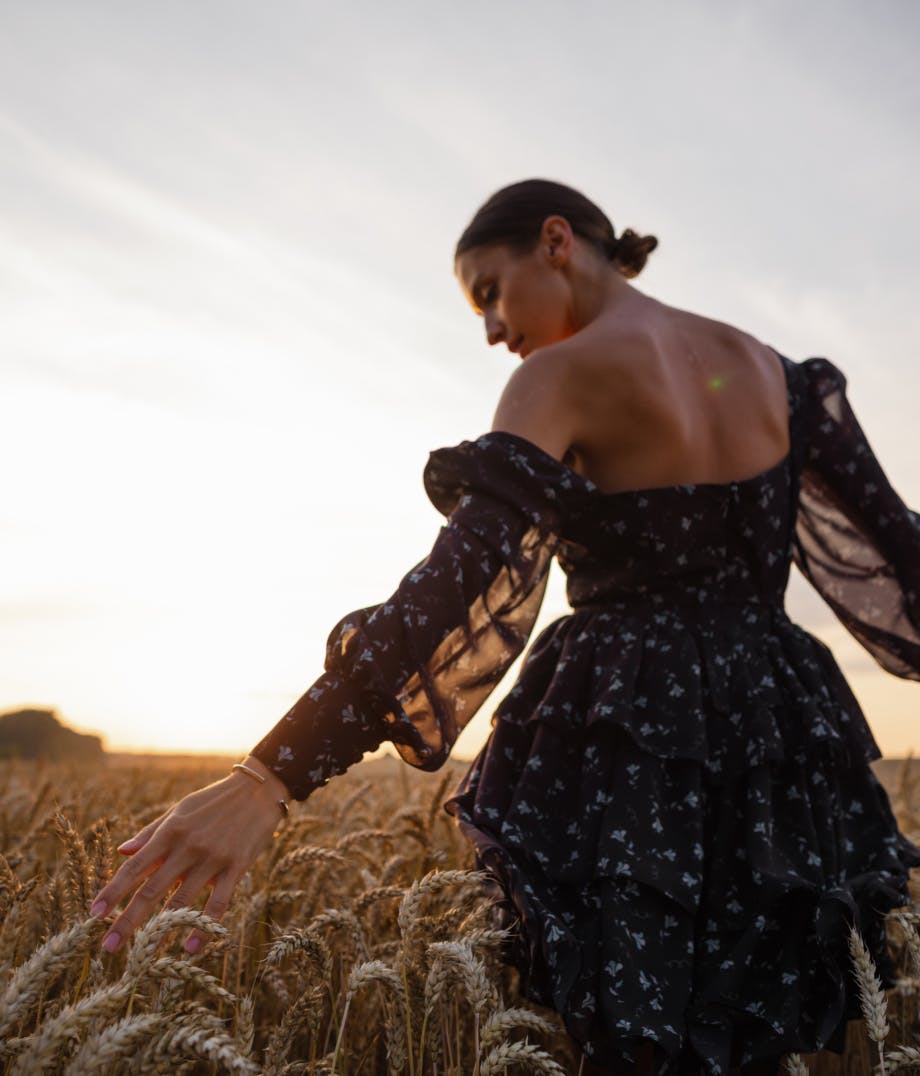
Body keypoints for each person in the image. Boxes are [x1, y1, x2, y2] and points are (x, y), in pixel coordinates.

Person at [89, 179, 920, 1076]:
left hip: (624, 733)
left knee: (626, 1035)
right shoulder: (783, 378)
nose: (491, 329)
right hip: (784, 737)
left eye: (488, 290)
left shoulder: (558, 376)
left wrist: (269, 775)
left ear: (556, 242)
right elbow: (903, 557)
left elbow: (452, 590)